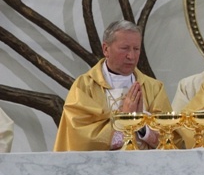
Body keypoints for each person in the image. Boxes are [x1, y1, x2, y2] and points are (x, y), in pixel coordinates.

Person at [54, 20, 172, 151]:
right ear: (106, 49)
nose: (131, 56)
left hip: (145, 168)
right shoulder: (84, 87)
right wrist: (125, 120)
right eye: (125, 48)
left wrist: (140, 125)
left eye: (136, 49)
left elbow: (169, 138)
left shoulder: (154, 88)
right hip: (102, 168)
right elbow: (79, 137)